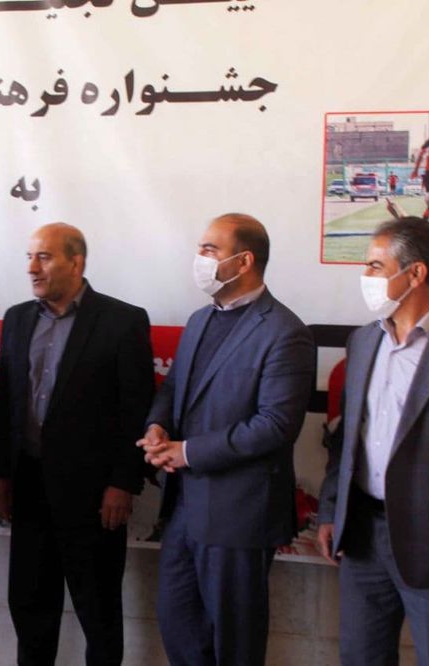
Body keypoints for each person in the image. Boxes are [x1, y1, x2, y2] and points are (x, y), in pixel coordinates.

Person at [139, 213, 315, 666]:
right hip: (183, 509)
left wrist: (188, 452)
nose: (199, 258)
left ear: (244, 261)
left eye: (210, 250)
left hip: (239, 514)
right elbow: (174, 388)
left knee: (235, 642)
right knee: (178, 628)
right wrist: (157, 426)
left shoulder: (285, 331)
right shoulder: (199, 320)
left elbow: (276, 424)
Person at [317, 217, 429, 666]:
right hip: (362, 541)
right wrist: (331, 510)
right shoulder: (362, 342)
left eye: (376, 266)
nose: (366, 276)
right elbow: (346, 441)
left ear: (415, 273)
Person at [0, 223, 155, 666]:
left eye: (43, 257)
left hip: (94, 498)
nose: (31, 268)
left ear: (76, 262)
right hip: (29, 489)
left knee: (98, 613)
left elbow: (135, 409)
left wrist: (123, 483)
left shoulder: (122, 321)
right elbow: (5, 402)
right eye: (29, 257)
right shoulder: (17, 319)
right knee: (30, 608)